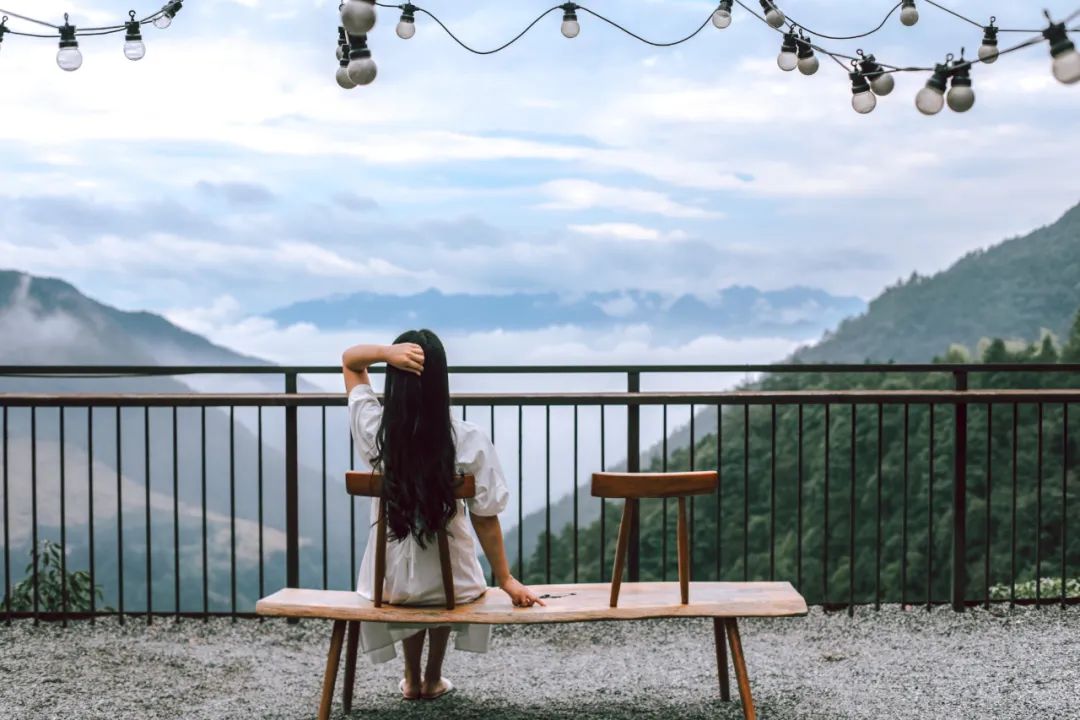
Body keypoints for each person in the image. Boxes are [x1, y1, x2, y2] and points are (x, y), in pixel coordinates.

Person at [342, 329, 544, 700]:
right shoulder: (467, 438)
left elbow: (351, 361)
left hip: (388, 583)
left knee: (414, 589)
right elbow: (485, 515)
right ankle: (432, 677)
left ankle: (411, 677)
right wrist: (506, 578)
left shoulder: (375, 432)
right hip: (454, 584)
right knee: (439, 582)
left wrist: (386, 352)